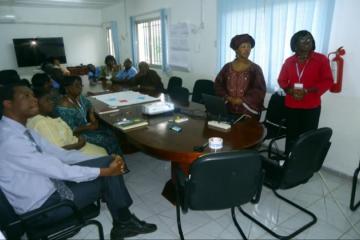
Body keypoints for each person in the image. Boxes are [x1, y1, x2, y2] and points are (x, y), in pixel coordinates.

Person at [0, 82, 157, 240]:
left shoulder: (23, 131)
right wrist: (104, 171)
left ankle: (124, 221)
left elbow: (61, 154)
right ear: (7, 103)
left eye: (33, 95)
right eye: (26, 96)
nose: (34, 99)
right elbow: (57, 169)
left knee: (108, 162)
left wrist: (103, 161)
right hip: (44, 208)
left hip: (52, 186)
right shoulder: (9, 141)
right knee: (107, 176)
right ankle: (124, 222)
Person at [278, 30, 333, 152]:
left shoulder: (321, 60)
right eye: (302, 39)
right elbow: (281, 80)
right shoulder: (289, 61)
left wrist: (307, 91)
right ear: (295, 44)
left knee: (308, 138)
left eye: (309, 39)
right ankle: (288, 163)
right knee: (292, 136)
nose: (307, 41)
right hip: (292, 106)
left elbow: (327, 81)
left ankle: (304, 167)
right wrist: (289, 90)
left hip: (311, 106)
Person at [27, 89, 108, 157]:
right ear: (35, 104)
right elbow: (58, 151)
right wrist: (80, 143)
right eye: (47, 100)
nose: (51, 102)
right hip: (75, 153)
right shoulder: (42, 123)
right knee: (105, 152)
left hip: (75, 143)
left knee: (104, 147)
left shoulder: (43, 117)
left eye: (51, 99)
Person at [56, 76, 123, 155]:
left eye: (81, 85)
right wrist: (89, 127)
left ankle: (116, 158)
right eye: (77, 85)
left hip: (88, 127)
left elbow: (89, 105)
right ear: (67, 88)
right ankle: (116, 162)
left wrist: (92, 118)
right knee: (108, 139)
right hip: (78, 135)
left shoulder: (79, 98)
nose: (80, 87)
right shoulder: (63, 106)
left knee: (110, 131)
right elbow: (70, 129)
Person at [214, 34, 266, 119]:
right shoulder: (227, 67)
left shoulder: (255, 69)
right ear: (236, 50)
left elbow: (259, 91)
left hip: (248, 112)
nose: (247, 50)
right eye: (243, 47)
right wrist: (228, 98)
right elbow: (218, 85)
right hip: (227, 109)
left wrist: (242, 100)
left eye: (249, 47)